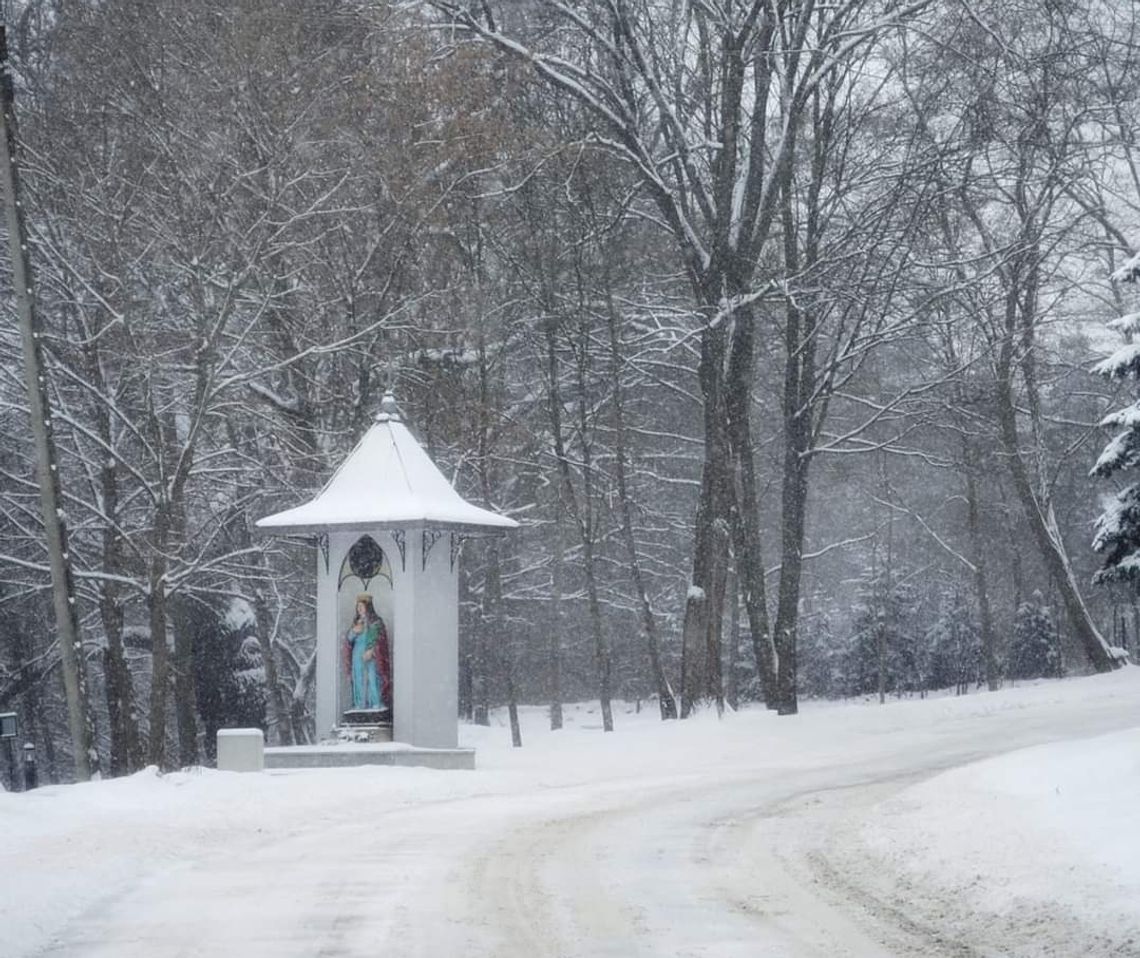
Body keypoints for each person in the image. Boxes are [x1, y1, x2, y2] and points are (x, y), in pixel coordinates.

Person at [343, 594, 391, 711]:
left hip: (372, 656)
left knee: (373, 678)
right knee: (358, 679)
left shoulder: (376, 622)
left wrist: (373, 650)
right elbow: (348, 640)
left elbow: (381, 640)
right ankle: (359, 705)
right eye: (358, 606)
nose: (359, 609)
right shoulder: (356, 623)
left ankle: (375, 703)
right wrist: (354, 631)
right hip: (357, 656)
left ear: (368, 607)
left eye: (362, 606)